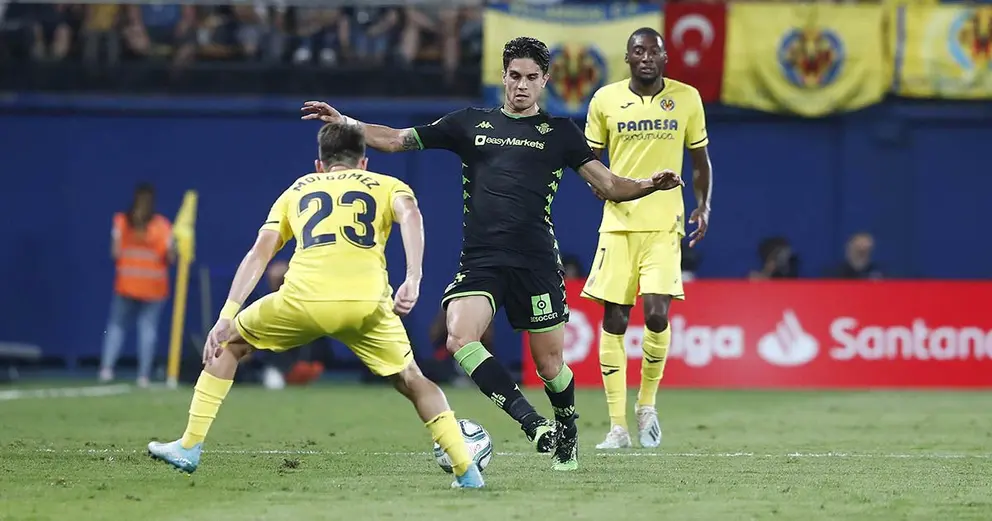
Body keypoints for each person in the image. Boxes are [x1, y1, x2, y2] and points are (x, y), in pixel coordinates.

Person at [301, 36, 683, 471]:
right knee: (459, 337)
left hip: (537, 261)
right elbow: (394, 140)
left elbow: (610, 185)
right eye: (514, 76)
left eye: (531, 78)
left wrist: (652, 183)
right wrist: (346, 124)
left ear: (545, 81)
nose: (521, 86)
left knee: (550, 365)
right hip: (482, 259)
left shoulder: (560, 134)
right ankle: (534, 424)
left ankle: (566, 427)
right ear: (503, 77)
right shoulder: (469, 124)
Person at [147, 122, 484, 489]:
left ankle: (190, 446)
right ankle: (467, 472)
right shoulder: (389, 185)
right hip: (367, 304)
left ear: (319, 165)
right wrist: (414, 277)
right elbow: (412, 216)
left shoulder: (298, 188)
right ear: (364, 163)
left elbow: (261, 252)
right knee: (414, 380)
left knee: (229, 345)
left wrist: (227, 315)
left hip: (303, 300)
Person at [580, 28, 714, 450]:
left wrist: (702, 204)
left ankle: (647, 405)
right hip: (618, 224)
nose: (646, 57)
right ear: (628, 57)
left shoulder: (687, 98)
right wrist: (609, 188)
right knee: (615, 321)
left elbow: (699, 160)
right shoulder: (604, 100)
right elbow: (590, 165)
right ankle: (617, 427)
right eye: (638, 51)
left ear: (665, 57)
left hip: (663, 224)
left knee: (656, 315)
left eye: (653, 51)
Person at [100, 183, 175, 388]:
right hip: (148, 287)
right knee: (144, 331)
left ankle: (107, 370)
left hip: (133, 285)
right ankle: (143, 376)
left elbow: (115, 253)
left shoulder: (122, 222)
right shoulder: (161, 226)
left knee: (119, 327)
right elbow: (171, 257)